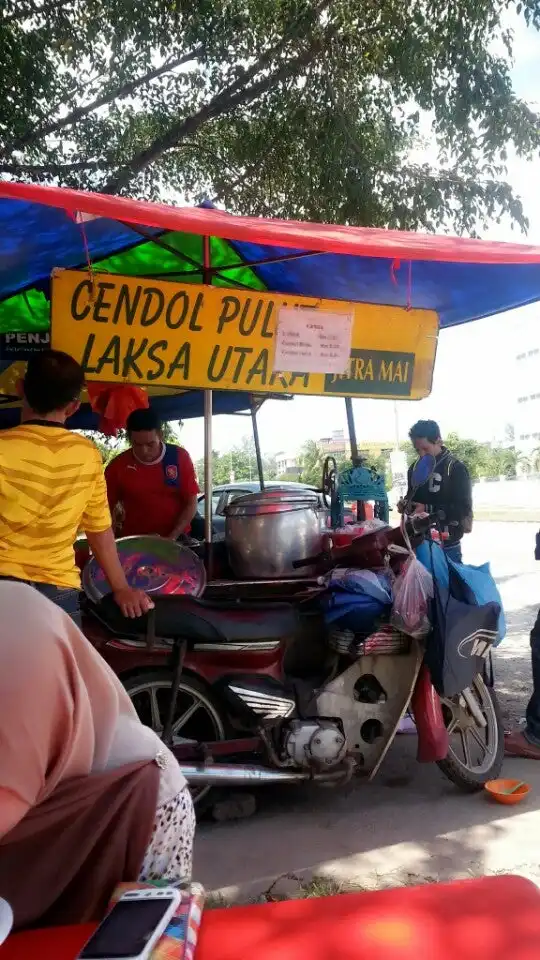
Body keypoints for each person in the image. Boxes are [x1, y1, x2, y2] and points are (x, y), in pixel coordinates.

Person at [0, 583, 195, 929]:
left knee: (133, 941)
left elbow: (6, 797)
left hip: (131, 805)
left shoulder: (13, 648)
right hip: (45, 814)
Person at [0, 349, 153, 625]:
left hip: (3, 589)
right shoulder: (86, 454)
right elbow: (99, 530)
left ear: (20, 387)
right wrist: (121, 588)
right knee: (57, 670)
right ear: (72, 407)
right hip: (58, 594)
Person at [106, 408, 199, 540]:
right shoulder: (117, 466)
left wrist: (172, 538)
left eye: (150, 444)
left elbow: (191, 503)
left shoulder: (179, 457)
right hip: (135, 543)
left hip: (177, 540)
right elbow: (104, 509)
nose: (144, 451)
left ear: (160, 435)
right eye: (137, 444)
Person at [399, 419, 473, 563]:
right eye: (417, 450)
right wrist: (407, 505)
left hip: (448, 544)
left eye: (425, 449)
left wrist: (427, 508)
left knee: (447, 584)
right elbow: (413, 499)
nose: (421, 454)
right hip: (420, 543)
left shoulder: (455, 468)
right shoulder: (414, 468)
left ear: (438, 441)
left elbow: (462, 509)